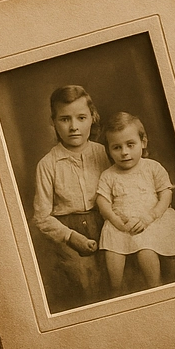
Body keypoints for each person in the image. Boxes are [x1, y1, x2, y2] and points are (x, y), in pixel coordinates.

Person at [32, 85, 110, 310]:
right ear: (53, 122)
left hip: (107, 224)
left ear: (92, 118)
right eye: (65, 119)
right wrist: (71, 237)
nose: (74, 127)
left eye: (81, 118)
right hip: (67, 233)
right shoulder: (47, 165)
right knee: (83, 284)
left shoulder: (105, 153)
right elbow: (42, 217)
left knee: (117, 274)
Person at [96, 111, 175, 293]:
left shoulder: (152, 167)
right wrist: (114, 219)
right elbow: (102, 200)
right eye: (117, 147)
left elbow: (165, 194)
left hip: (149, 221)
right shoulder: (109, 175)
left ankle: (155, 287)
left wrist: (150, 216)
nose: (124, 152)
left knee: (146, 251)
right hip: (120, 223)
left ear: (143, 142)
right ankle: (115, 291)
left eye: (130, 145)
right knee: (112, 253)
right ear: (109, 150)